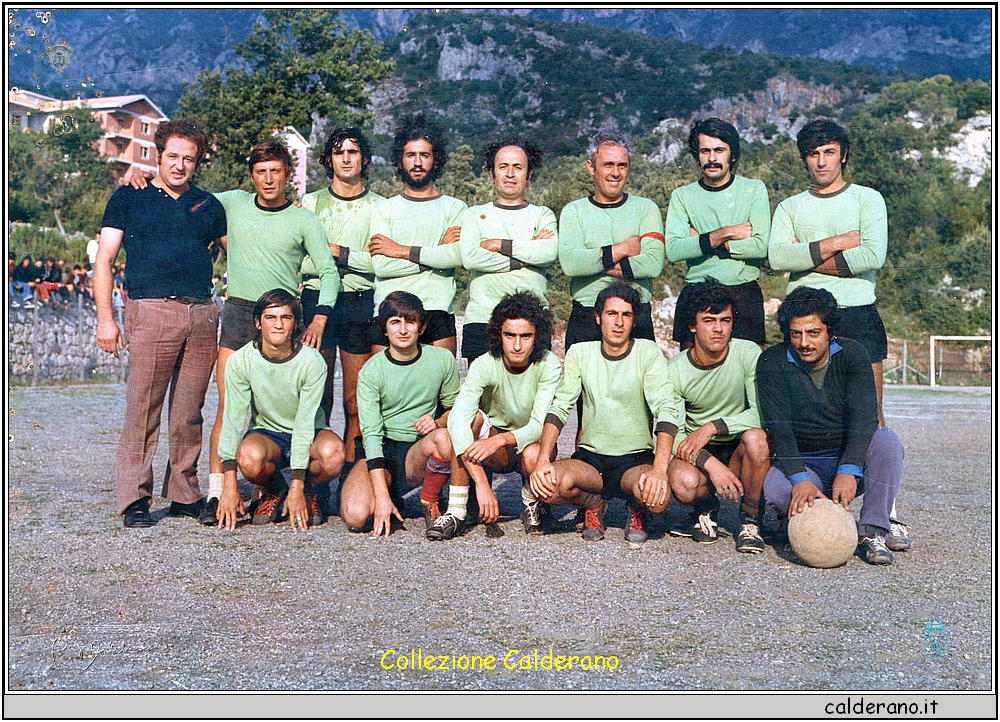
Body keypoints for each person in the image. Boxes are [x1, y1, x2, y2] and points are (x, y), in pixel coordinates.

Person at [125, 140, 340, 526]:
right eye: (261, 172)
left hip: (284, 314)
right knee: (228, 405)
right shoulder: (230, 203)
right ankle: (214, 490)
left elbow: (328, 273)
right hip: (241, 312)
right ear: (251, 176)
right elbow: (179, 184)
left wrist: (320, 318)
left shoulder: (304, 219)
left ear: (287, 174)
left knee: (303, 403)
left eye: (276, 171)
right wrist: (138, 173)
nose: (269, 179)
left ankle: (303, 488)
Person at [94, 119, 227, 528]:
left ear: (198, 162)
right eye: (173, 156)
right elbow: (104, 260)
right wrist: (106, 320)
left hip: (202, 312)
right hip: (152, 311)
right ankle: (134, 499)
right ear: (157, 154)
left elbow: (242, 250)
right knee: (143, 408)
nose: (180, 165)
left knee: (189, 412)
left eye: (189, 159)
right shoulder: (129, 197)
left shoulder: (209, 204)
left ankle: (184, 493)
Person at [757, 286, 906, 565]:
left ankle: (872, 531)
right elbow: (778, 427)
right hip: (805, 460)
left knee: (887, 441)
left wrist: (848, 470)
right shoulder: (772, 360)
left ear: (830, 332)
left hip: (846, 455)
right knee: (777, 491)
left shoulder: (853, 354)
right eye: (796, 333)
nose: (804, 342)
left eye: (813, 333)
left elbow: (865, 419)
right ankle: (812, 519)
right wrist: (799, 478)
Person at [529, 282, 675, 544]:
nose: (618, 322)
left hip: (633, 461)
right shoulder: (580, 353)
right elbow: (560, 406)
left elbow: (666, 408)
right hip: (591, 461)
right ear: (598, 318)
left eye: (626, 315)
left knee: (659, 498)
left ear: (633, 320)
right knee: (548, 486)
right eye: (611, 314)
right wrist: (542, 460)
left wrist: (659, 471)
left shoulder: (647, 352)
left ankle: (636, 508)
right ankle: (594, 505)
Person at [216, 289, 346, 531]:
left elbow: (305, 423)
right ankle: (276, 490)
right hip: (268, 432)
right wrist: (229, 486)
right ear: (257, 322)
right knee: (248, 458)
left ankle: (309, 491)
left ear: (295, 323)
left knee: (333, 454)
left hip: (309, 432)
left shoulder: (311, 361)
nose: (278, 325)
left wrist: (299, 484)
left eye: (285, 318)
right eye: (270, 317)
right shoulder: (240, 361)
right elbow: (232, 420)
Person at [440, 292, 562, 540]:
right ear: (499, 335)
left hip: (529, 445)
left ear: (537, 336)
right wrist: (483, 484)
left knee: (533, 451)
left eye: (525, 336)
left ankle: (532, 500)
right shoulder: (485, 363)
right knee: (470, 419)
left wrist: (498, 440)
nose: (517, 345)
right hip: (495, 451)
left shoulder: (549, 363)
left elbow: (539, 425)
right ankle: (456, 509)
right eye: (510, 335)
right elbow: (457, 419)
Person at [661, 279, 770, 553]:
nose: (719, 329)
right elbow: (671, 433)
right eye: (709, 320)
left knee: (758, 439)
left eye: (725, 320)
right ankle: (705, 509)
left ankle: (750, 520)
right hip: (698, 452)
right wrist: (709, 463)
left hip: (736, 447)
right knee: (684, 484)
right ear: (692, 325)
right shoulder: (674, 370)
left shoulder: (747, 353)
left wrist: (713, 426)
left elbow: (761, 414)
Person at [300, 127, 384, 483]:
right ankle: (314, 482)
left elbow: (381, 263)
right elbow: (302, 263)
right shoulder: (309, 204)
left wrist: (340, 254)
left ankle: (353, 478)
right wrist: (325, 262)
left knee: (355, 399)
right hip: (316, 301)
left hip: (361, 302)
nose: (346, 158)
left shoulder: (380, 207)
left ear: (364, 158)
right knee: (315, 396)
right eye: (339, 152)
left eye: (353, 151)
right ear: (329, 160)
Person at [340, 292, 461, 537]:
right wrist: (382, 498)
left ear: (421, 327)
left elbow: (457, 409)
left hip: (416, 452)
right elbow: (371, 434)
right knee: (355, 516)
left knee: (444, 438)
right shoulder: (371, 371)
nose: (403, 330)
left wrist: (437, 421)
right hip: (383, 450)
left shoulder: (442, 359)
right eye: (395, 322)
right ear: (384, 329)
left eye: (410, 322)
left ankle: (430, 499)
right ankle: (390, 496)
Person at [664, 118, 770, 349]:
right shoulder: (682, 196)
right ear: (697, 155)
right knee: (693, 377)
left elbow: (761, 246)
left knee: (749, 375)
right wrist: (727, 233)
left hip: (744, 293)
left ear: (732, 155)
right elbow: (673, 250)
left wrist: (702, 240)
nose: (712, 158)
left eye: (719, 150)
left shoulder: (753, 189)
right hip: (696, 292)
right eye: (705, 151)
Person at [368, 115, 468, 356]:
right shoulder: (384, 209)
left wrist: (400, 250)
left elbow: (456, 257)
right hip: (389, 309)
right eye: (410, 155)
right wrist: (435, 254)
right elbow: (381, 266)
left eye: (424, 155)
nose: (417, 162)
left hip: (437, 310)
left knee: (443, 391)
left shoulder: (456, 208)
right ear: (400, 161)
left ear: (435, 161)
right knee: (388, 392)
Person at [558, 129, 665, 351]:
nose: (615, 173)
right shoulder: (573, 211)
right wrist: (624, 248)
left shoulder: (647, 209)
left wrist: (595, 261)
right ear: (591, 167)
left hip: (636, 316)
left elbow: (653, 264)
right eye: (608, 164)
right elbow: (571, 263)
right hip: (586, 316)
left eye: (622, 165)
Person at [458, 136, 557, 363]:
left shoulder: (543, 214)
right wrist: (524, 257)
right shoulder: (474, 214)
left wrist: (499, 245)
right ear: (492, 174)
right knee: (482, 396)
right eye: (503, 167)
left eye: (518, 167)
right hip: (482, 319)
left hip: (534, 322)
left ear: (529, 174)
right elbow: (471, 258)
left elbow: (548, 252)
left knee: (531, 397)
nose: (510, 174)